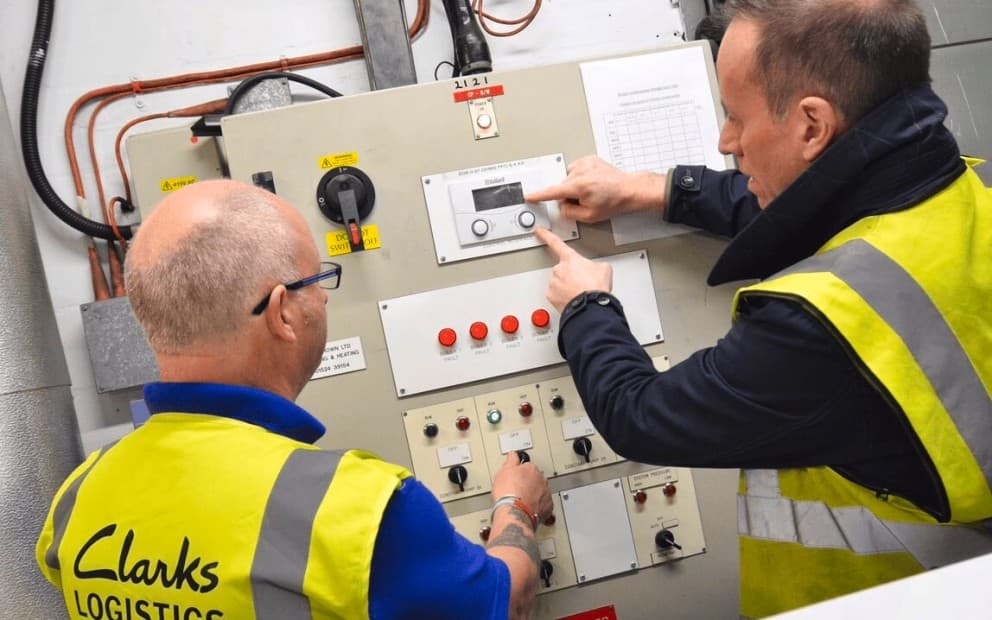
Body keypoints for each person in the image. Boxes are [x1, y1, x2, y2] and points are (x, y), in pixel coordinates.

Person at [528, 0, 992, 617]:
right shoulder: (969, 189)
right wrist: (656, 189)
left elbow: (642, 414)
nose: (726, 142)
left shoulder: (822, 326)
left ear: (811, 126)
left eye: (736, 118)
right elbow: (822, 204)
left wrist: (587, 306)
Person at [36, 179, 553, 620]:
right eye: (317, 280)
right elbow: (507, 597)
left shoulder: (80, 495)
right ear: (282, 312)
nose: (324, 298)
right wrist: (516, 503)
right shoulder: (362, 511)